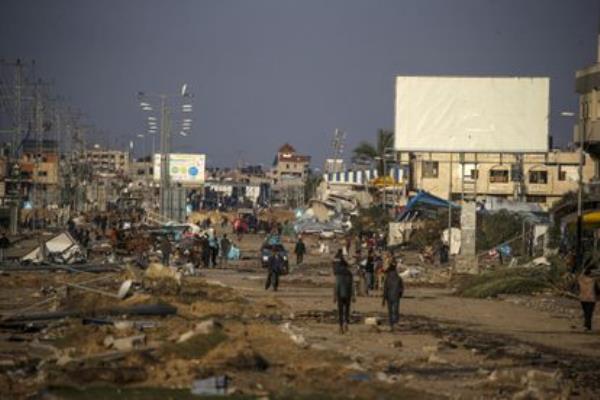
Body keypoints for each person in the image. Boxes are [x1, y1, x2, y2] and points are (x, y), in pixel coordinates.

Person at [333, 249, 354, 334]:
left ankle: (340, 326)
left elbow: (336, 286)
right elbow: (352, 286)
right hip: (348, 293)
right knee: (347, 309)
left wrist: (334, 296)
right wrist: (353, 296)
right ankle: (346, 324)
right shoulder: (349, 274)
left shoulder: (338, 274)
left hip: (339, 293)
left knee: (340, 310)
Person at [382, 257, 404, 331]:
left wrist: (383, 299)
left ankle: (391, 324)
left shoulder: (387, 278)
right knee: (396, 310)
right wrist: (400, 295)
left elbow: (385, 289)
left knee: (390, 311)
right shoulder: (399, 278)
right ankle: (395, 323)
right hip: (396, 296)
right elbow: (402, 288)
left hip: (389, 296)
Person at [578, 263, 599, 331]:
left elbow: (583, 273)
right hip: (591, 298)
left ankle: (587, 326)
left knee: (586, 312)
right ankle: (587, 326)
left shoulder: (581, 278)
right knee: (589, 313)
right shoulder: (593, 280)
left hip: (583, 298)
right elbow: (597, 289)